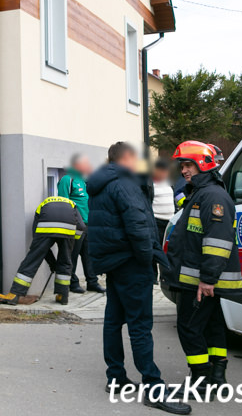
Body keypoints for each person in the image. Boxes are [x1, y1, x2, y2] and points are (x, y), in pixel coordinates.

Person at [88, 142, 190, 415]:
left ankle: (116, 378)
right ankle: (153, 386)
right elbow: (138, 224)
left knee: (113, 321)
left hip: (114, 262)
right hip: (132, 263)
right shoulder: (124, 183)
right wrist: (147, 259)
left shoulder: (103, 182)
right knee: (140, 325)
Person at [167, 141, 242, 391]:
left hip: (200, 280)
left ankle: (200, 382)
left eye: (188, 164)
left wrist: (208, 278)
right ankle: (217, 378)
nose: (184, 170)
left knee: (188, 327)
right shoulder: (202, 193)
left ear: (203, 164)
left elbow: (217, 243)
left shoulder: (211, 196)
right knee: (212, 325)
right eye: (182, 166)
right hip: (200, 277)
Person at [0, 196, 86, 306]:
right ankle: (63, 296)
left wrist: (51, 262)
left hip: (45, 228)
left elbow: (36, 239)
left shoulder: (43, 205)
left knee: (32, 260)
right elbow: (81, 226)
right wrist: (71, 243)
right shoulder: (72, 204)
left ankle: (15, 294)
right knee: (65, 261)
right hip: (68, 230)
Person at [58, 154, 104, 294]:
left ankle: (92, 282)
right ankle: (73, 283)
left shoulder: (84, 180)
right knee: (72, 255)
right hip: (75, 224)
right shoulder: (67, 179)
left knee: (89, 254)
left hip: (88, 224)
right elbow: (63, 202)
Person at [151, 158, 175, 265]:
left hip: (169, 222)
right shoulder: (150, 184)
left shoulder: (168, 183)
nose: (165, 173)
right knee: (155, 250)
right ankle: (154, 275)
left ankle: (164, 272)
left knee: (167, 250)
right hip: (156, 221)